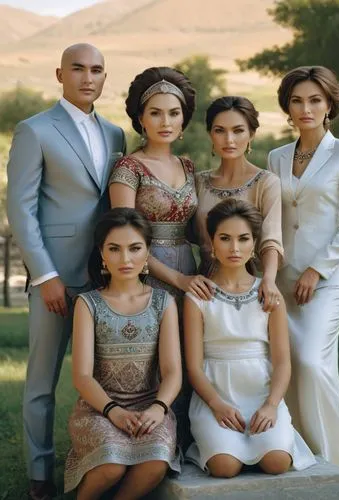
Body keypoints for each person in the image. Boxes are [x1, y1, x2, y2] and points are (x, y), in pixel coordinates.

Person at [6, 44, 125, 499]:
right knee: (41, 380)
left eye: (97, 69)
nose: (87, 77)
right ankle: (40, 476)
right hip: (54, 278)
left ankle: (100, 462)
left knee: (106, 380)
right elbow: (20, 207)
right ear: (60, 74)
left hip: (107, 279)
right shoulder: (34, 130)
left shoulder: (115, 134)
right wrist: (44, 275)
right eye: (78, 68)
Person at [268, 66, 339, 469]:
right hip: (281, 281)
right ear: (287, 107)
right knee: (287, 366)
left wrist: (317, 270)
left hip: (326, 280)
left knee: (312, 361)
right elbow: (271, 217)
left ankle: (333, 463)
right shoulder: (276, 156)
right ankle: (301, 456)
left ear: (329, 105)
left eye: (314, 100)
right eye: (297, 100)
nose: (305, 108)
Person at [109, 66, 213, 448]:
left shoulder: (186, 166)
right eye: (155, 112)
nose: (165, 121)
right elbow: (125, 238)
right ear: (140, 117)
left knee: (189, 355)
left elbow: (197, 229)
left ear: (184, 118)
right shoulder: (128, 168)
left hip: (189, 269)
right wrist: (178, 279)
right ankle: (148, 445)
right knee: (152, 360)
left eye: (174, 112)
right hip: (144, 274)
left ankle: (190, 443)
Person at [184, 198, 316, 476]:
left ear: (254, 243)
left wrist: (271, 405)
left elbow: (282, 362)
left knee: (277, 462)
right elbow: (194, 367)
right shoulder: (197, 295)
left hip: (261, 393)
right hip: (215, 394)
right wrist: (216, 404)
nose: (234, 248)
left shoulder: (268, 293)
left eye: (243, 239)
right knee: (225, 467)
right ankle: (204, 446)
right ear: (212, 242)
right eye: (225, 238)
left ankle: (275, 435)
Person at [64, 208, 181, 499]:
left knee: (154, 464)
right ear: (102, 254)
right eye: (114, 249)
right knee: (111, 466)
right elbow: (81, 376)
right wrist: (112, 412)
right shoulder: (87, 304)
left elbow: (172, 372)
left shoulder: (163, 302)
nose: (125, 259)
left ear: (147, 253)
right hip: (98, 409)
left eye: (134, 248)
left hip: (149, 407)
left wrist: (158, 408)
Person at [194, 96, 283, 312]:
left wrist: (269, 280)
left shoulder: (266, 182)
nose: (229, 139)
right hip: (202, 287)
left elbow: (271, 240)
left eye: (238, 130)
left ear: (251, 134)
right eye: (220, 130)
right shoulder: (197, 182)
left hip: (249, 286)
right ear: (210, 134)